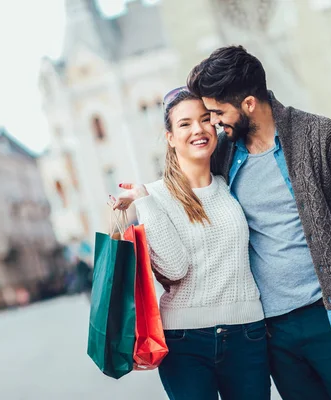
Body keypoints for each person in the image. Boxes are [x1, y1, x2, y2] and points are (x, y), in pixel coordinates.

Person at [184, 45, 331, 399]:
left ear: (248, 104)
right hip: (274, 333)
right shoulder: (223, 156)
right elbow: (185, 179)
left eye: (217, 112)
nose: (213, 122)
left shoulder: (321, 135)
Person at [111, 89, 270, 400]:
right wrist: (145, 202)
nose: (198, 129)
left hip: (247, 333)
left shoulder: (231, 184)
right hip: (184, 341)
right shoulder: (153, 197)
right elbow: (174, 268)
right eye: (185, 124)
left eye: (205, 119)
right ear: (170, 137)